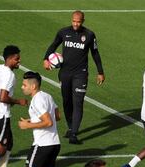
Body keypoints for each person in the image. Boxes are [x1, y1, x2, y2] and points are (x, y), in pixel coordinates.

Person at [0, 71, 61, 167]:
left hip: (42, 145)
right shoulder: (47, 96)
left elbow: (49, 122)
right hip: (54, 143)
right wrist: (32, 119)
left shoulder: (37, 100)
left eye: (24, 85)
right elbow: (57, 116)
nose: (22, 87)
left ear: (33, 86)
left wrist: (28, 125)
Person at [43, 10, 105, 144]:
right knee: (67, 101)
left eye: (78, 22)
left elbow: (95, 54)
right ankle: (71, 127)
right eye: (74, 21)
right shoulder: (63, 32)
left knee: (78, 102)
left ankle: (74, 134)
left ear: (83, 21)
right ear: (71, 20)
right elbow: (53, 45)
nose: (76, 24)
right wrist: (45, 59)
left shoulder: (89, 35)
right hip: (64, 73)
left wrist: (100, 72)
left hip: (80, 74)